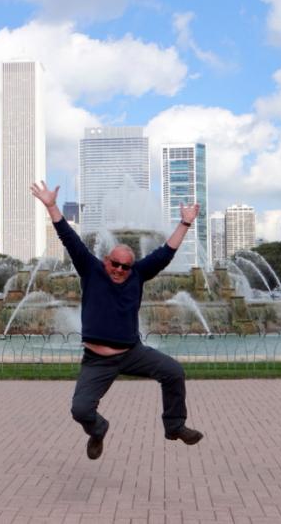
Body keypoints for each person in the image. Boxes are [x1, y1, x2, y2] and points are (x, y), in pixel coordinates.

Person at [30, 181, 204, 460]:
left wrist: (185, 223)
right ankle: (98, 430)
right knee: (81, 410)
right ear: (106, 260)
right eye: (115, 264)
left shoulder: (138, 274)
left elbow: (165, 253)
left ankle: (174, 426)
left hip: (132, 353)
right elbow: (68, 237)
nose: (120, 270)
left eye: (125, 266)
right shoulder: (91, 269)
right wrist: (51, 206)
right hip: (97, 359)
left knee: (173, 372)